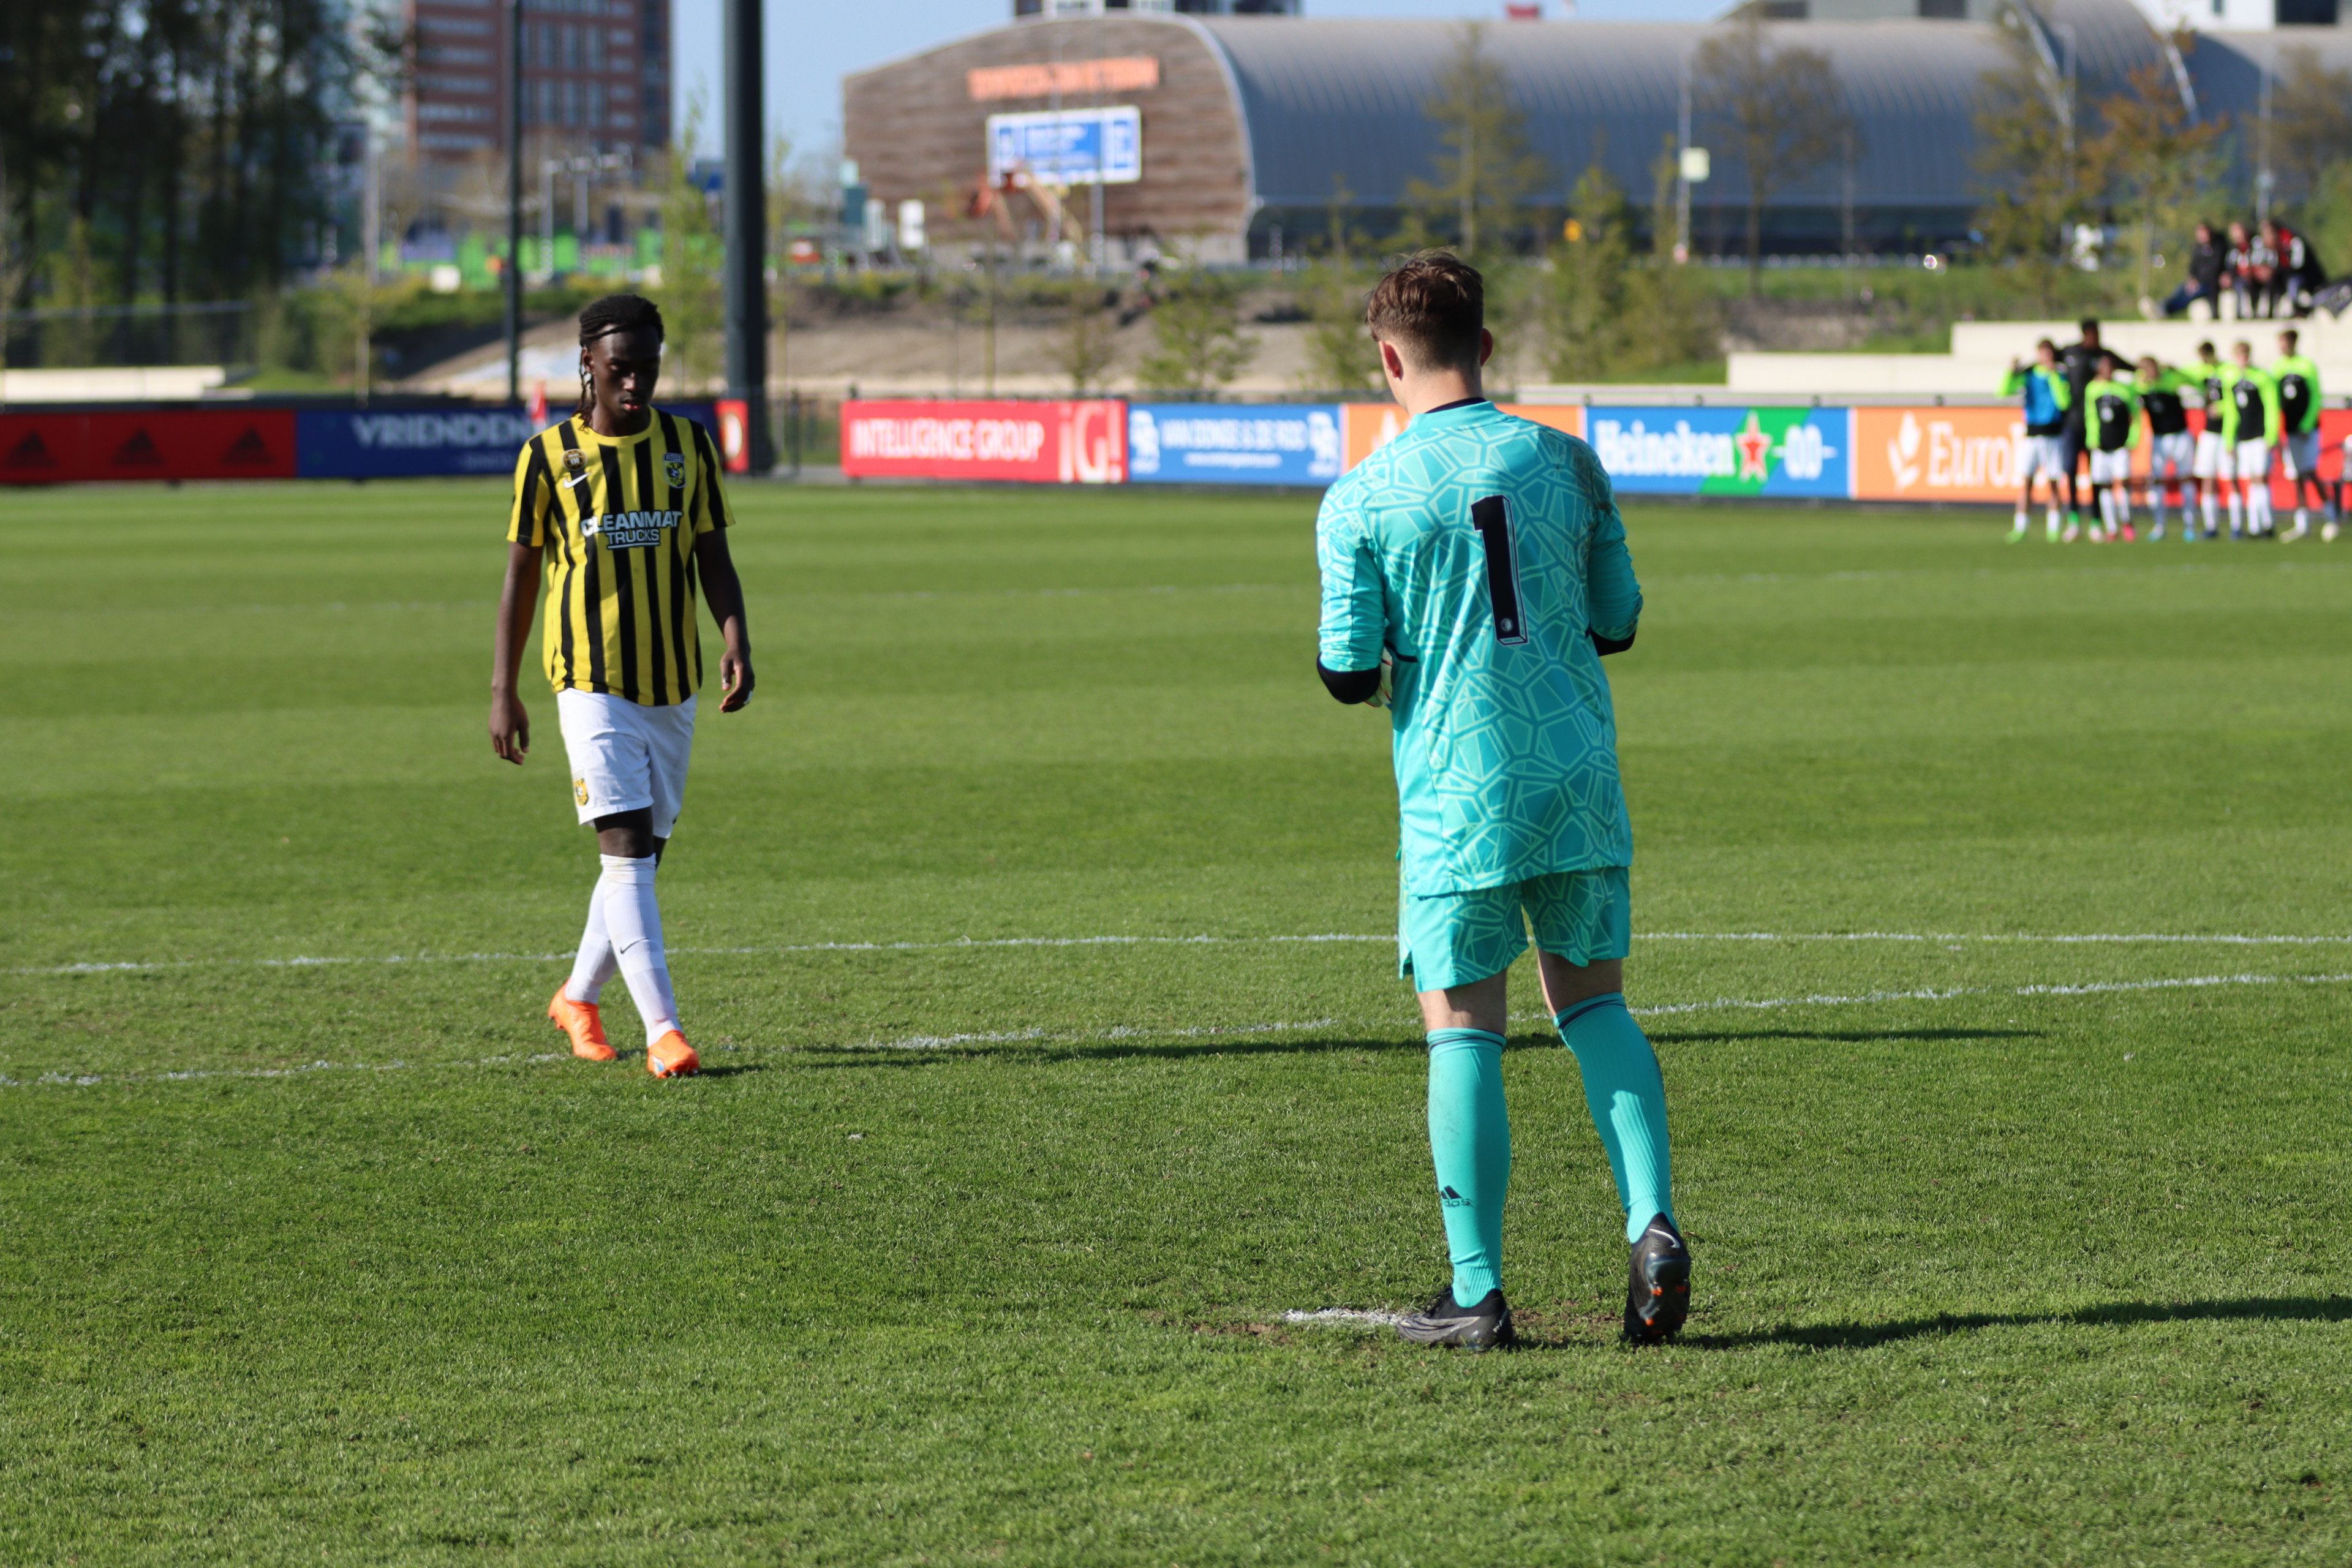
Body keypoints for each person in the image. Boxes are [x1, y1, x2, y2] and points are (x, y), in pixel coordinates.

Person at [1314, 251, 1684, 1351]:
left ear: (1387, 359)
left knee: (1464, 1027)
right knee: (1595, 1007)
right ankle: (1652, 1223)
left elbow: (1344, 669)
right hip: (1576, 773)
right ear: (1484, 345)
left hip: (1457, 792)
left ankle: (1476, 1291)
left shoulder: (1364, 495)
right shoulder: (1567, 462)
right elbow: (1619, 620)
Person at [488, 293, 756, 1079]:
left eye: (646, 368)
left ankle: (576, 996)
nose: (634, 384)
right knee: (628, 849)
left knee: (642, 857)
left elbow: (713, 554)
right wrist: (505, 688)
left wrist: (735, 638)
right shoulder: (545, 458)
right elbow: (520, 579)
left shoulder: (688, 446)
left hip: (671, 682)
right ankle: (664, 1030)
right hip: (588, 680)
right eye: (619, 369)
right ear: (587, 366)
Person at [2003, 339, 2075, 542]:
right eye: (2043, 353)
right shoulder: (2029, 374)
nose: (2046, 357)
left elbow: (2064, 402)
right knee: (2026, 481)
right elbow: (2004, 390)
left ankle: (2053, 528)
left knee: (2053, 483)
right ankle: (2021, 527)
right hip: (2032, 435)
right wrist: (2011, 371)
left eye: (2049, 353)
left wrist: (2053, 376)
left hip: (2053, 436)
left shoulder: (2060, 375)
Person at [2270, 328, 2329, 539]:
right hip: (2290, 431)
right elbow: (2274, 402)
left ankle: (2331, 517)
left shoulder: (2307, 365)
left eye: (2285, 342)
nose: (2282, 346)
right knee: (2295, 476)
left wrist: (2307, 424)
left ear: (2294, 342)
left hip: (2309, 430)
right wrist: (2275, 430)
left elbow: (2315, 397)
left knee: (2310, 472)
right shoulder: (2278, 367)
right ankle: (2302, 525)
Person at [2134, 354, 2197, 541]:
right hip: (2159, 438)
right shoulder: (2141, 386)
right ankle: (2160, 526)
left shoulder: (2171, 379)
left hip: (2180, 435)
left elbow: (2191, 381)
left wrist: (2176, 369)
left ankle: (2190, 526)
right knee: (2157, 481)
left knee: (2186, 479)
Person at [2227, 339, 2283, 539]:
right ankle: (2254, 526)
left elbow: (2272, 408)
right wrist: (2229, 439)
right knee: (2251, 481)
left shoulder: (2262, 378)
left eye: (2246, 354)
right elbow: (2231, 412)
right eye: (2239, 355)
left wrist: (2271, 436)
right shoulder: (2232, 380)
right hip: (2243, 438)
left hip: (2260, 436)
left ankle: (2267, 523)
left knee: (2261, 478)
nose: (2243, 359)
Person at [2083, 352, 2139, 542]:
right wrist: (2092, 440)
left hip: (2121, 445)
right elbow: (2091, 416)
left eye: (2110, 367)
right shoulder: (2092, 389)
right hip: (2101, 446)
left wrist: (2133, 440)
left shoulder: (2125, 389)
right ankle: (2112, 527)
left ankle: (2127, 522)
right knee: (2104, 486)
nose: (2107, 371)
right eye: (2104, 367)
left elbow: (2135, 417)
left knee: (2122, 484)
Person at [2057, 318, 2102, 530]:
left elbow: (2129, 366)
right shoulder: (2070, 352)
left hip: (2094, 426)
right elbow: (2046, 358)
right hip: (2072, 424)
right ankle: (2073, 518)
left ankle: (2096, 519)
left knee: (2097, 474)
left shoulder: (2103, 355)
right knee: (2071, 470)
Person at [2190, 339, 2237, 539]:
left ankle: (2236, 526)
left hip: (2226, 433)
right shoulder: (2201, 372)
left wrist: (2221, 408)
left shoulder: (2228, 371)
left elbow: (2235, 402)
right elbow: (2184, 376)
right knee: (2207, 478)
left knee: (2230, 479)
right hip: (2208, 432)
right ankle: (2211, 526)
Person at [2160, 221, 2226, 322]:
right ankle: (2164, 306)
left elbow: (2215, 269)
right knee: (2182, 289)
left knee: (2191, 294)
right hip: (2199, 281)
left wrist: (2198, 281)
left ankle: (2168, 310)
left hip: (2211, 284)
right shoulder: (2198, 249)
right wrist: (2192, 278)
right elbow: (2193, 267)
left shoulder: (2219, 247)